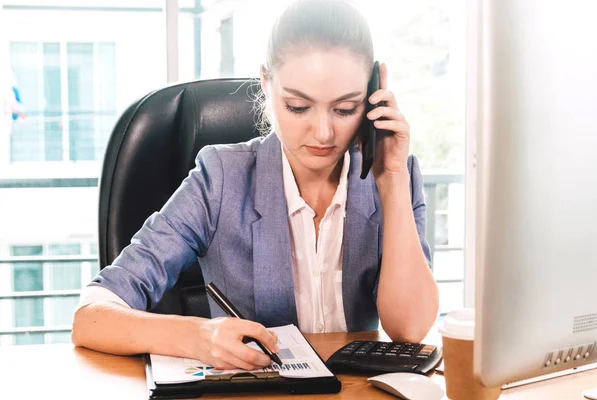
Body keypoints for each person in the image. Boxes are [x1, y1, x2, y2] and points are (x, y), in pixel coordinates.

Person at [72, 0, 439, 372]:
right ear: (266, 83)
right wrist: (198, 336)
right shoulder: (221, 179)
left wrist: (391, 181)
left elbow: (409, 329)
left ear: (373, 93)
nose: (324, 132)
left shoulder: (397, 175)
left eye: (345, 108)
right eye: (298, 106)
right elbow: (91, 315)